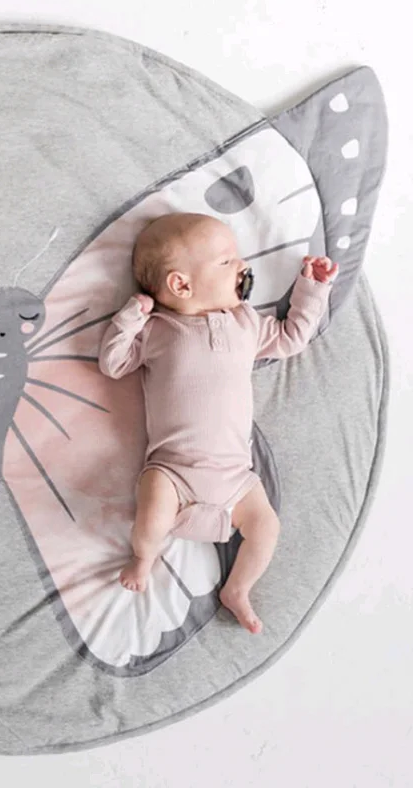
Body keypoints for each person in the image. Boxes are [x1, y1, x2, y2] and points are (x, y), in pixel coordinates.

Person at [98, 212, 338, 633]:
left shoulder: (246, 322)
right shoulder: (157, 330)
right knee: (151, 515)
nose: (242, 266)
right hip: (173, 472)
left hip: (235, 478)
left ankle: (237, 589)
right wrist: (131, 318)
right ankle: (144, 558)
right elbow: (113, 363)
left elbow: (290, 337)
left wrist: (312, 289)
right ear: (181, 285)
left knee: (266, 525)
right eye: (227, 261)